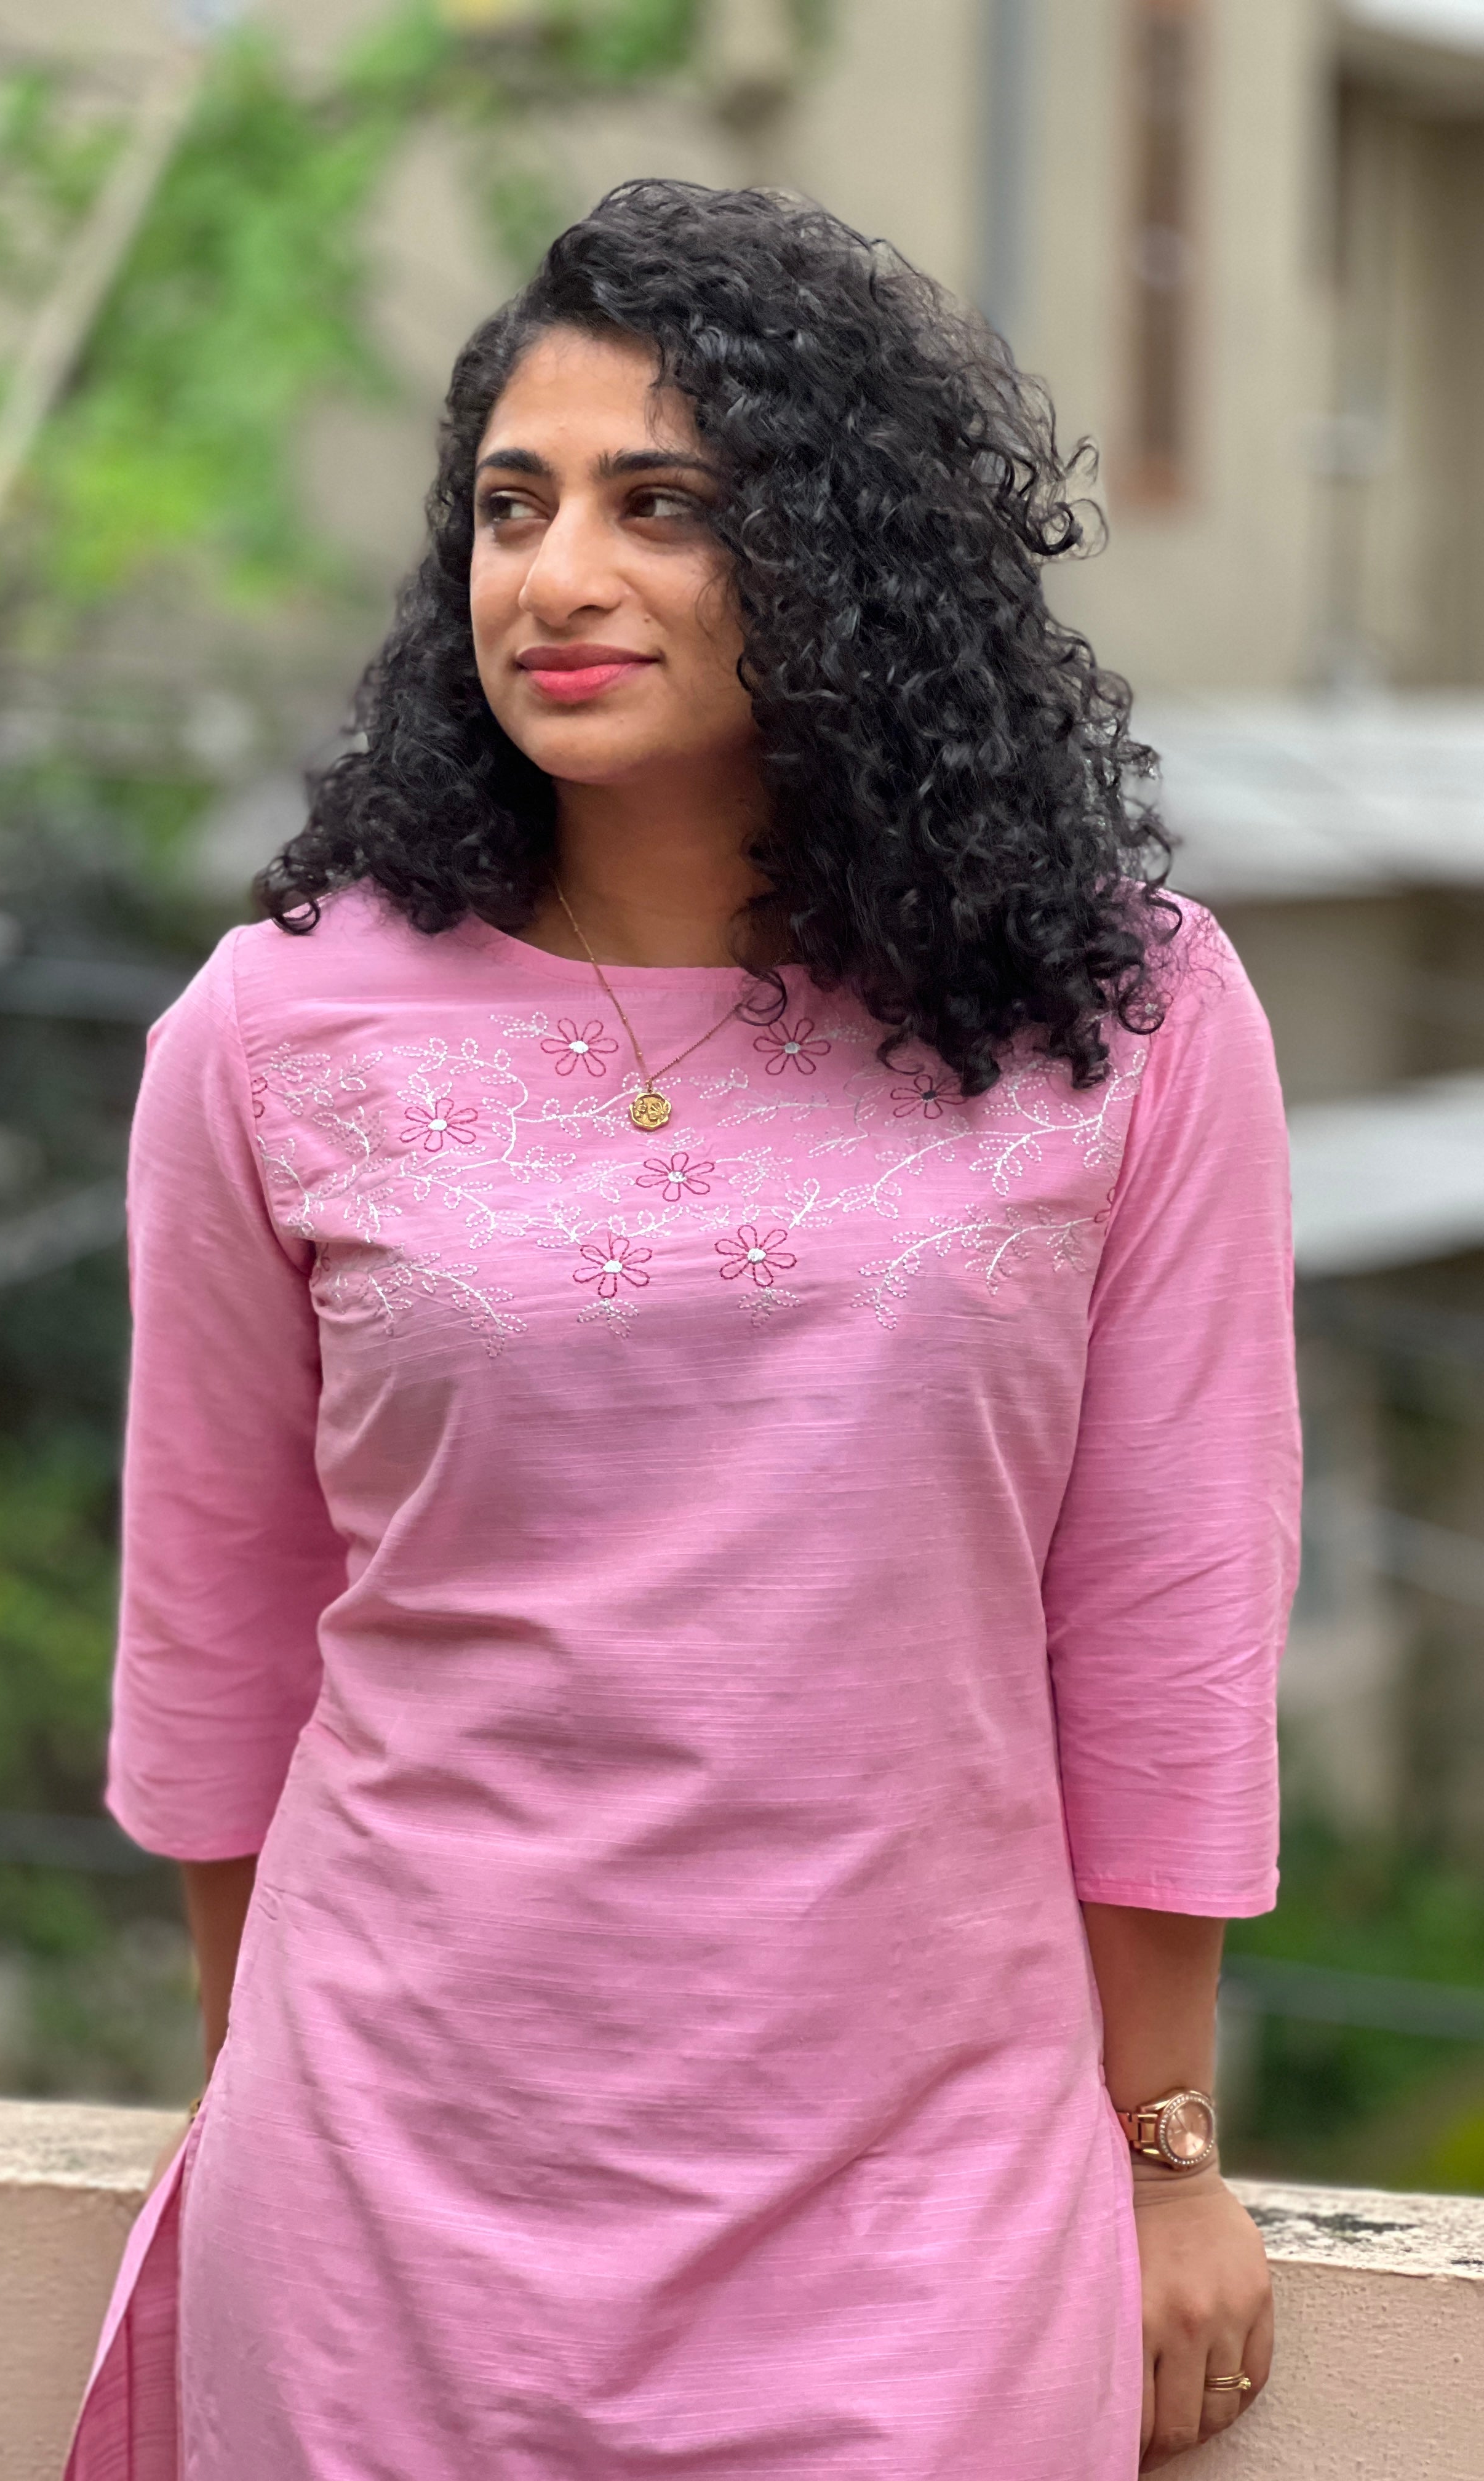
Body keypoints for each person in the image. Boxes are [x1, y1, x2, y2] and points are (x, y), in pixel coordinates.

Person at [65, 181, 1298, 2481]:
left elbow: (1167, 1629)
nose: (556, 576)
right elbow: (219, 1642)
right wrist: (255, 2102)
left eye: (662, 506)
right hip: (384, 2205)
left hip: (923, 2216)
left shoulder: (1114, 1022)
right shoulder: (275, 1030)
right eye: (511, 507)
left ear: (845, 558)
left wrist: (1164, 2148)